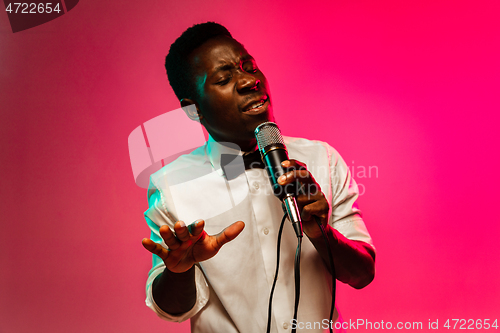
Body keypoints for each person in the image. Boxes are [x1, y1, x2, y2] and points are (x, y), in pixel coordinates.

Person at [141, 22, 375, 333]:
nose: (249, 81)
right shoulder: (171, 185)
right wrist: (179, 270)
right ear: (193, 110)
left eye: (248, 66)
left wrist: (320, 232)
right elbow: (173, 310)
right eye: (225, 79)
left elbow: (362, 274)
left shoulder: (322, 159)